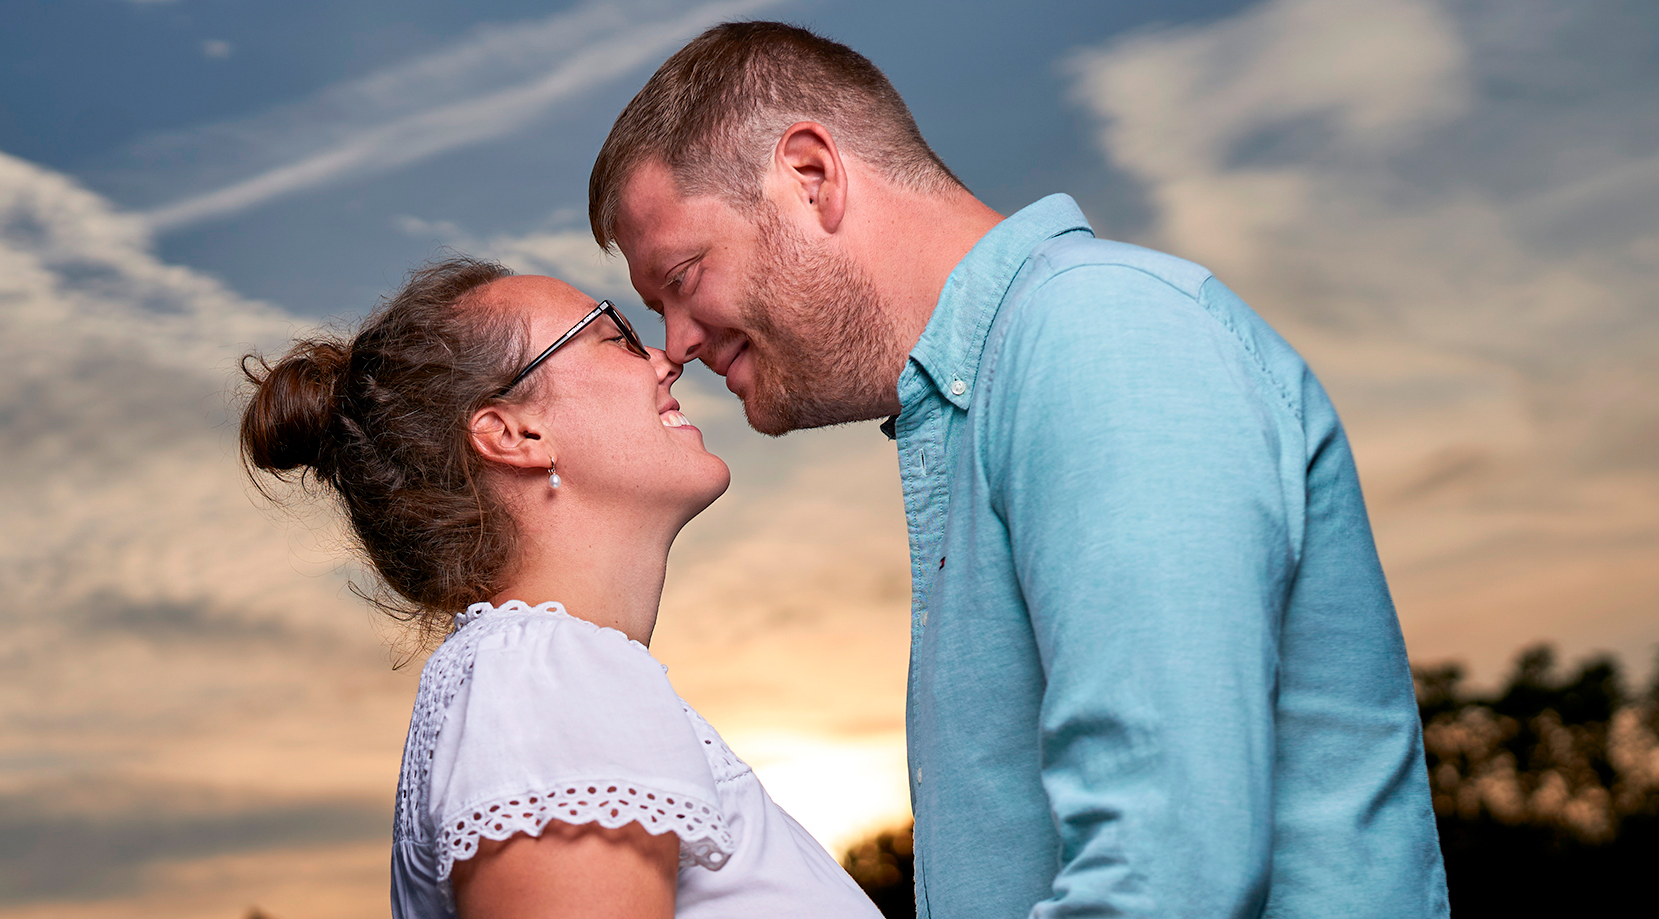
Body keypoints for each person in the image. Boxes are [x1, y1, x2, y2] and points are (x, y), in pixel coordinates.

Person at [587, 21, 1449, 919]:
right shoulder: (990, 395)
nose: (676, 343)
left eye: (682, 275)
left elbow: (1166, 872)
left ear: (811, 175)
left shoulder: (1097, 334)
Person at [238, 257, 885, 919]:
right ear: (515, 433)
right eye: (614, 336)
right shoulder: (547, 679)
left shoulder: (536, 680)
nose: (665, 359)